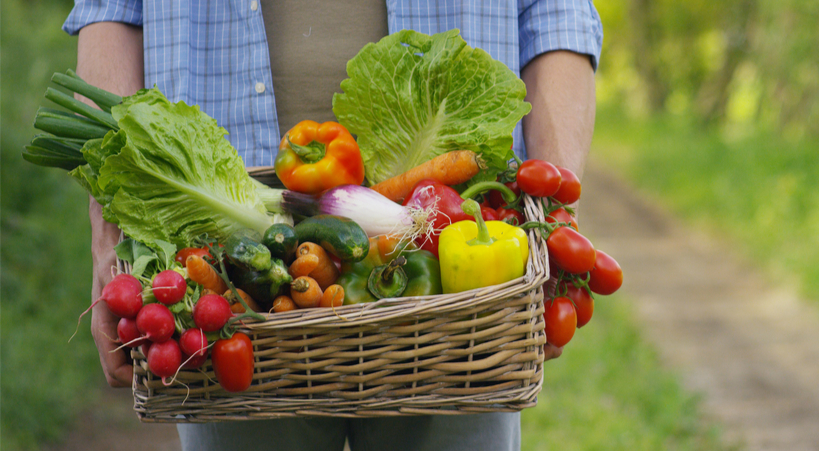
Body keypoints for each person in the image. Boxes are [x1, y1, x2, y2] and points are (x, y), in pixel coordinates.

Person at [65, 1, 602, 449]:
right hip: (228, 277)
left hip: (458, 279)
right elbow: (110, 9)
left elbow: (558, 14)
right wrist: (110, 240)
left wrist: (553, 223)